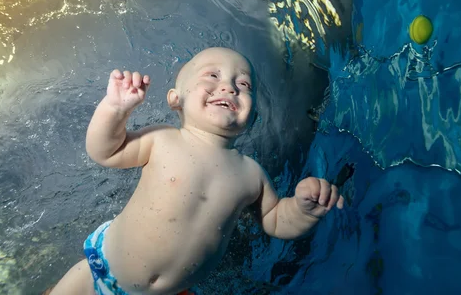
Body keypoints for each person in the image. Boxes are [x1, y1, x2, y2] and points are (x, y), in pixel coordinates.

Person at [49, 47, 344, 295]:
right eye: (212, 76)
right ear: (176, 98)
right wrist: (115, 109)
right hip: (100, 272)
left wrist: (305, 209)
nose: (229, 86)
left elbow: (275, 220)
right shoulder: (162, 140)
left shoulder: (251, 174)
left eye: (243, 85)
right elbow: (105, 152)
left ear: (252, 115)